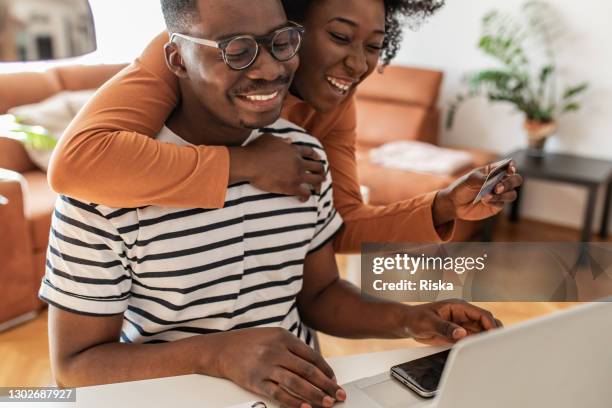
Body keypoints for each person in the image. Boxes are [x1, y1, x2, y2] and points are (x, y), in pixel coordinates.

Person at [42, 1, 502, 407]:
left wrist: (409, 317)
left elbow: (319, 289)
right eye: (236, 49)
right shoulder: (109, 183)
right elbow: (75, 365)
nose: (267, 68)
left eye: (281, 42)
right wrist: (216, 354)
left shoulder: (303, 152)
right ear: (177, 57)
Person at [48, 0, 523, 252]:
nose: (358, 65)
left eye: (375, 46)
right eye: (339, 36)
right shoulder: (188, 56)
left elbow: (338, 227)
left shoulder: (333, 102)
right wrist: (246, 163)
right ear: (285, 19)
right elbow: (79, 162)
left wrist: (442, 205)